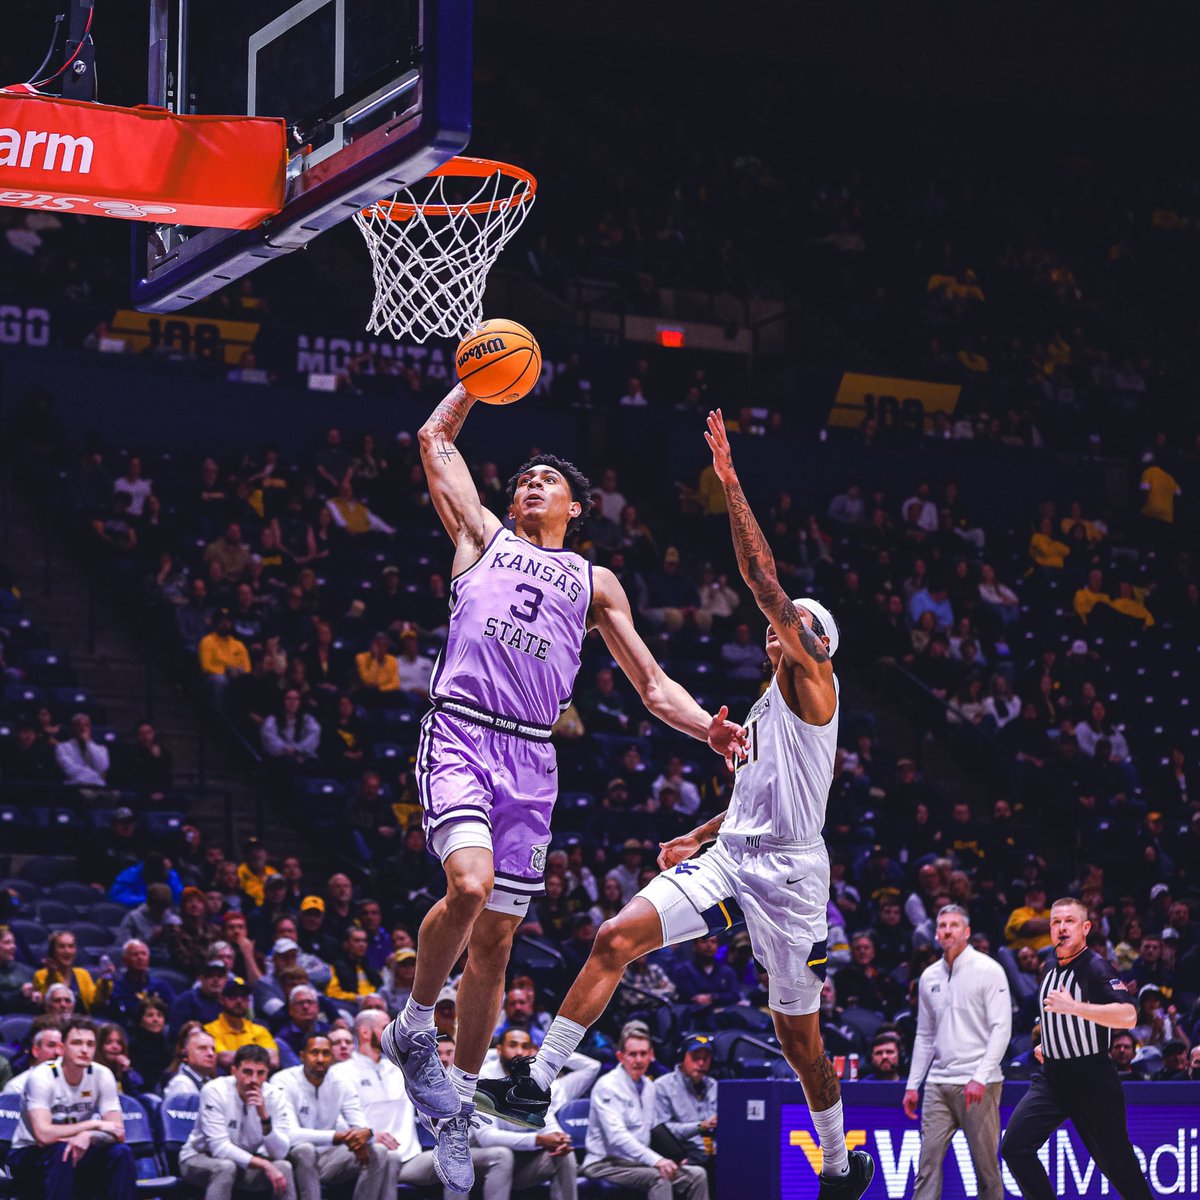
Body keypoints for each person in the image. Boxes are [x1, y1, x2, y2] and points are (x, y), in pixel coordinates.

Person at [477, 410, 872, 1200]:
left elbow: (764, 584)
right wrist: (697, 833)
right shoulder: (766, 708)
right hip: (735, 856)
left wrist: (730, 484)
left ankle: (837, 1162)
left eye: (794, 625)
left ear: (812, 641)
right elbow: (759, 797)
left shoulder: (815, 683)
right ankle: (536, 1079)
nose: (777, 630)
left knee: (800, 1040)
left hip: (794, 877)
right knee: (614, 937)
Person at [379, 384, 745, 1193]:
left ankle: (458, 1107)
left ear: (579, 507)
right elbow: (433, 440)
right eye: (523, 479)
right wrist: (472, 385)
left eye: (548, 480)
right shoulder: (480, 535)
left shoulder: (595, 583)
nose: (530, 486)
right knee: (469, 887)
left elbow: (653, 686)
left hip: (533, 760)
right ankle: (411, 1027)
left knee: (499, 942)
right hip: (463, 730)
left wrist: (708, 730)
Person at [1000, 898, 1153, 1200]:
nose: (1061, 927)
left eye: (1069, 921)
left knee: (1118, 1164)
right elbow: (1055, 1015)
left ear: (1085, 928)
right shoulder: (1048, 966)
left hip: (1092, 1078)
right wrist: (1051, 1041)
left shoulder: (1097, 966)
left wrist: (1075, 1007)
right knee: (1014, 1147)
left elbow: (1129, 1015)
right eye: (1055, 922)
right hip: (1053, 1077)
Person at [330, 1009, 510, 1196]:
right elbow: (337, 1120)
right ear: (364, 1032)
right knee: (387, 1156)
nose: (391, 1035)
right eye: (385, 1028)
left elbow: (484, 1057)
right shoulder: (341, 1072)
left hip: (412, 1158)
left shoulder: (401, 1067)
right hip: (370, 1154)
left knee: (458, 1162)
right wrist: (371, 1136)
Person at [903, 905, 1011, 1200]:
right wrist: (913, 1084)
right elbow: (924, 1035)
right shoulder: (928, 977)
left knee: (987, 1170)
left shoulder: (989, 970)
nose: (947, 930)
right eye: (942, 925)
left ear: (967, 932)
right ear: (936, 933)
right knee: (927, 1166)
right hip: (937, 1082)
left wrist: (980, 1076)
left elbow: (1002, 1029)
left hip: (978, 1083)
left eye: (953, 925)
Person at [6, 1017, 134, 1200]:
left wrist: (89, 1136)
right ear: (61, 1048)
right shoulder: (41, 1077)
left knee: (121, 1153)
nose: (84, 1050)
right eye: (76, 1043)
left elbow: (117, 1131)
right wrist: (92, 1125)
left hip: (78, 1149)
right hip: (29, 1153)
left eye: (90, 1044)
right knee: (62, 1150)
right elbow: (43, 1135)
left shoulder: (102, 1074)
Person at [581, 1028, 708, 1198]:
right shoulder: (607, 1086)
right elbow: (616, 1137)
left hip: (637, 1163)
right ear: (621, 1057)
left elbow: (654, 1126)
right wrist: (656, 1160)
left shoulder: (649, 1086)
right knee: (659, 1178)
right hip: (604, 1164)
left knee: (697, 1175)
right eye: (632, 1054)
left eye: (643, 1054)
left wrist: (675, 1156)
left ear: (651, 1055)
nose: (639, 1060)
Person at [275, 1031, 387, 1200]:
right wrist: (339, 1137)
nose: (320, 1059)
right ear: (302, 1056)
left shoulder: (342, 1083)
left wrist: (366, 1134)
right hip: (292, 1158)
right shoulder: (283, 1080)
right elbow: (289, 1134)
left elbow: (361, 1127)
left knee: (378, 1151)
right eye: (314, 1053)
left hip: (330, 1158)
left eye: (326, 1053)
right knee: (305, 1149)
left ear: (332, 1057)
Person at [179, 1044, 297, 1200]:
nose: (254, 1080)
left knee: (283, 1167)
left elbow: (280, 1153)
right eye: (247, 1072)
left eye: (260, 1073)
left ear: (267, 1074)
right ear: (234, 1071)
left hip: (245, 1162)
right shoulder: (214, 1090)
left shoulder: (275, 1096)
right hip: (200, 1158)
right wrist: (265, 1165)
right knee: (225, 1167)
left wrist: (264, 1118)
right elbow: (219, 1148)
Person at [653, 1034, 719, 1178]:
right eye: (695, 1057)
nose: (701, 1063)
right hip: (684, 1154)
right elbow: (663, 1130)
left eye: (705, 1058)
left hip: (715, 1153)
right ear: (682, 1058)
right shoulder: (662, 1086)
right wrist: (701, 1126)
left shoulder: (714, 1085)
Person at [204, 978, 279, 1070]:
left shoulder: (260, 1030)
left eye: (243, 996)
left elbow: (274, 1061)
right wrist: (260, 1056)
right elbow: (224, 1058)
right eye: (233, 996)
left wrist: (236, 1055)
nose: (239, 1001)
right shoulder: (209, 1030)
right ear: (222, 1000)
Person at [1, 1024, 64, 1097]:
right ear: (36, 1050)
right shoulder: (17, 1087)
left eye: (62, 1047)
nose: (58, 1052)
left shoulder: (77, 1082)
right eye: (51, 1045)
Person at [163, 1026, 218, 1104]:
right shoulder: (181, 1083)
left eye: (213, 1049)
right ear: (186, 1055)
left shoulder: (210, 1081)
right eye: (202, 1048)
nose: (211, 1053)